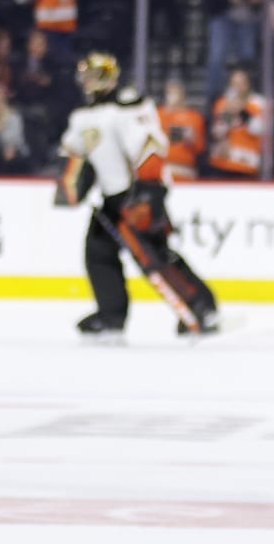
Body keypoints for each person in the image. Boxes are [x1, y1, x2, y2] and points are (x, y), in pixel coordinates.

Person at [58, 52, 221, 339]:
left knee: (155, 255)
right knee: (98, 253)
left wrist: (148, 194)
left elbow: (148, 149)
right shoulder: (83, 116)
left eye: (93, 76)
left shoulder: (128, 107)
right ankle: (111, 315)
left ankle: (202, 306)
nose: (87, 82)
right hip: (111, 199)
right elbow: (77, 156)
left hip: (137, 195)